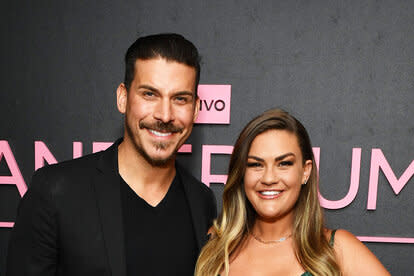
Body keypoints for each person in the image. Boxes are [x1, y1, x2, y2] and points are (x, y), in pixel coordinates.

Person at [7, 33, 217, 276]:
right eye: (150, 94)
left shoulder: (202, 201)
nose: (165, 115)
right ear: (123, 98)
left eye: (180, 99)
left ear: (196, 109)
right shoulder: (55, 192)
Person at [195, 109, 389, 276]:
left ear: (305, 171)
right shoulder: (216, 248)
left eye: (284, 163)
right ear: (242, 174)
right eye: (256, 164)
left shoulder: (338, 249)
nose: (269, 178)